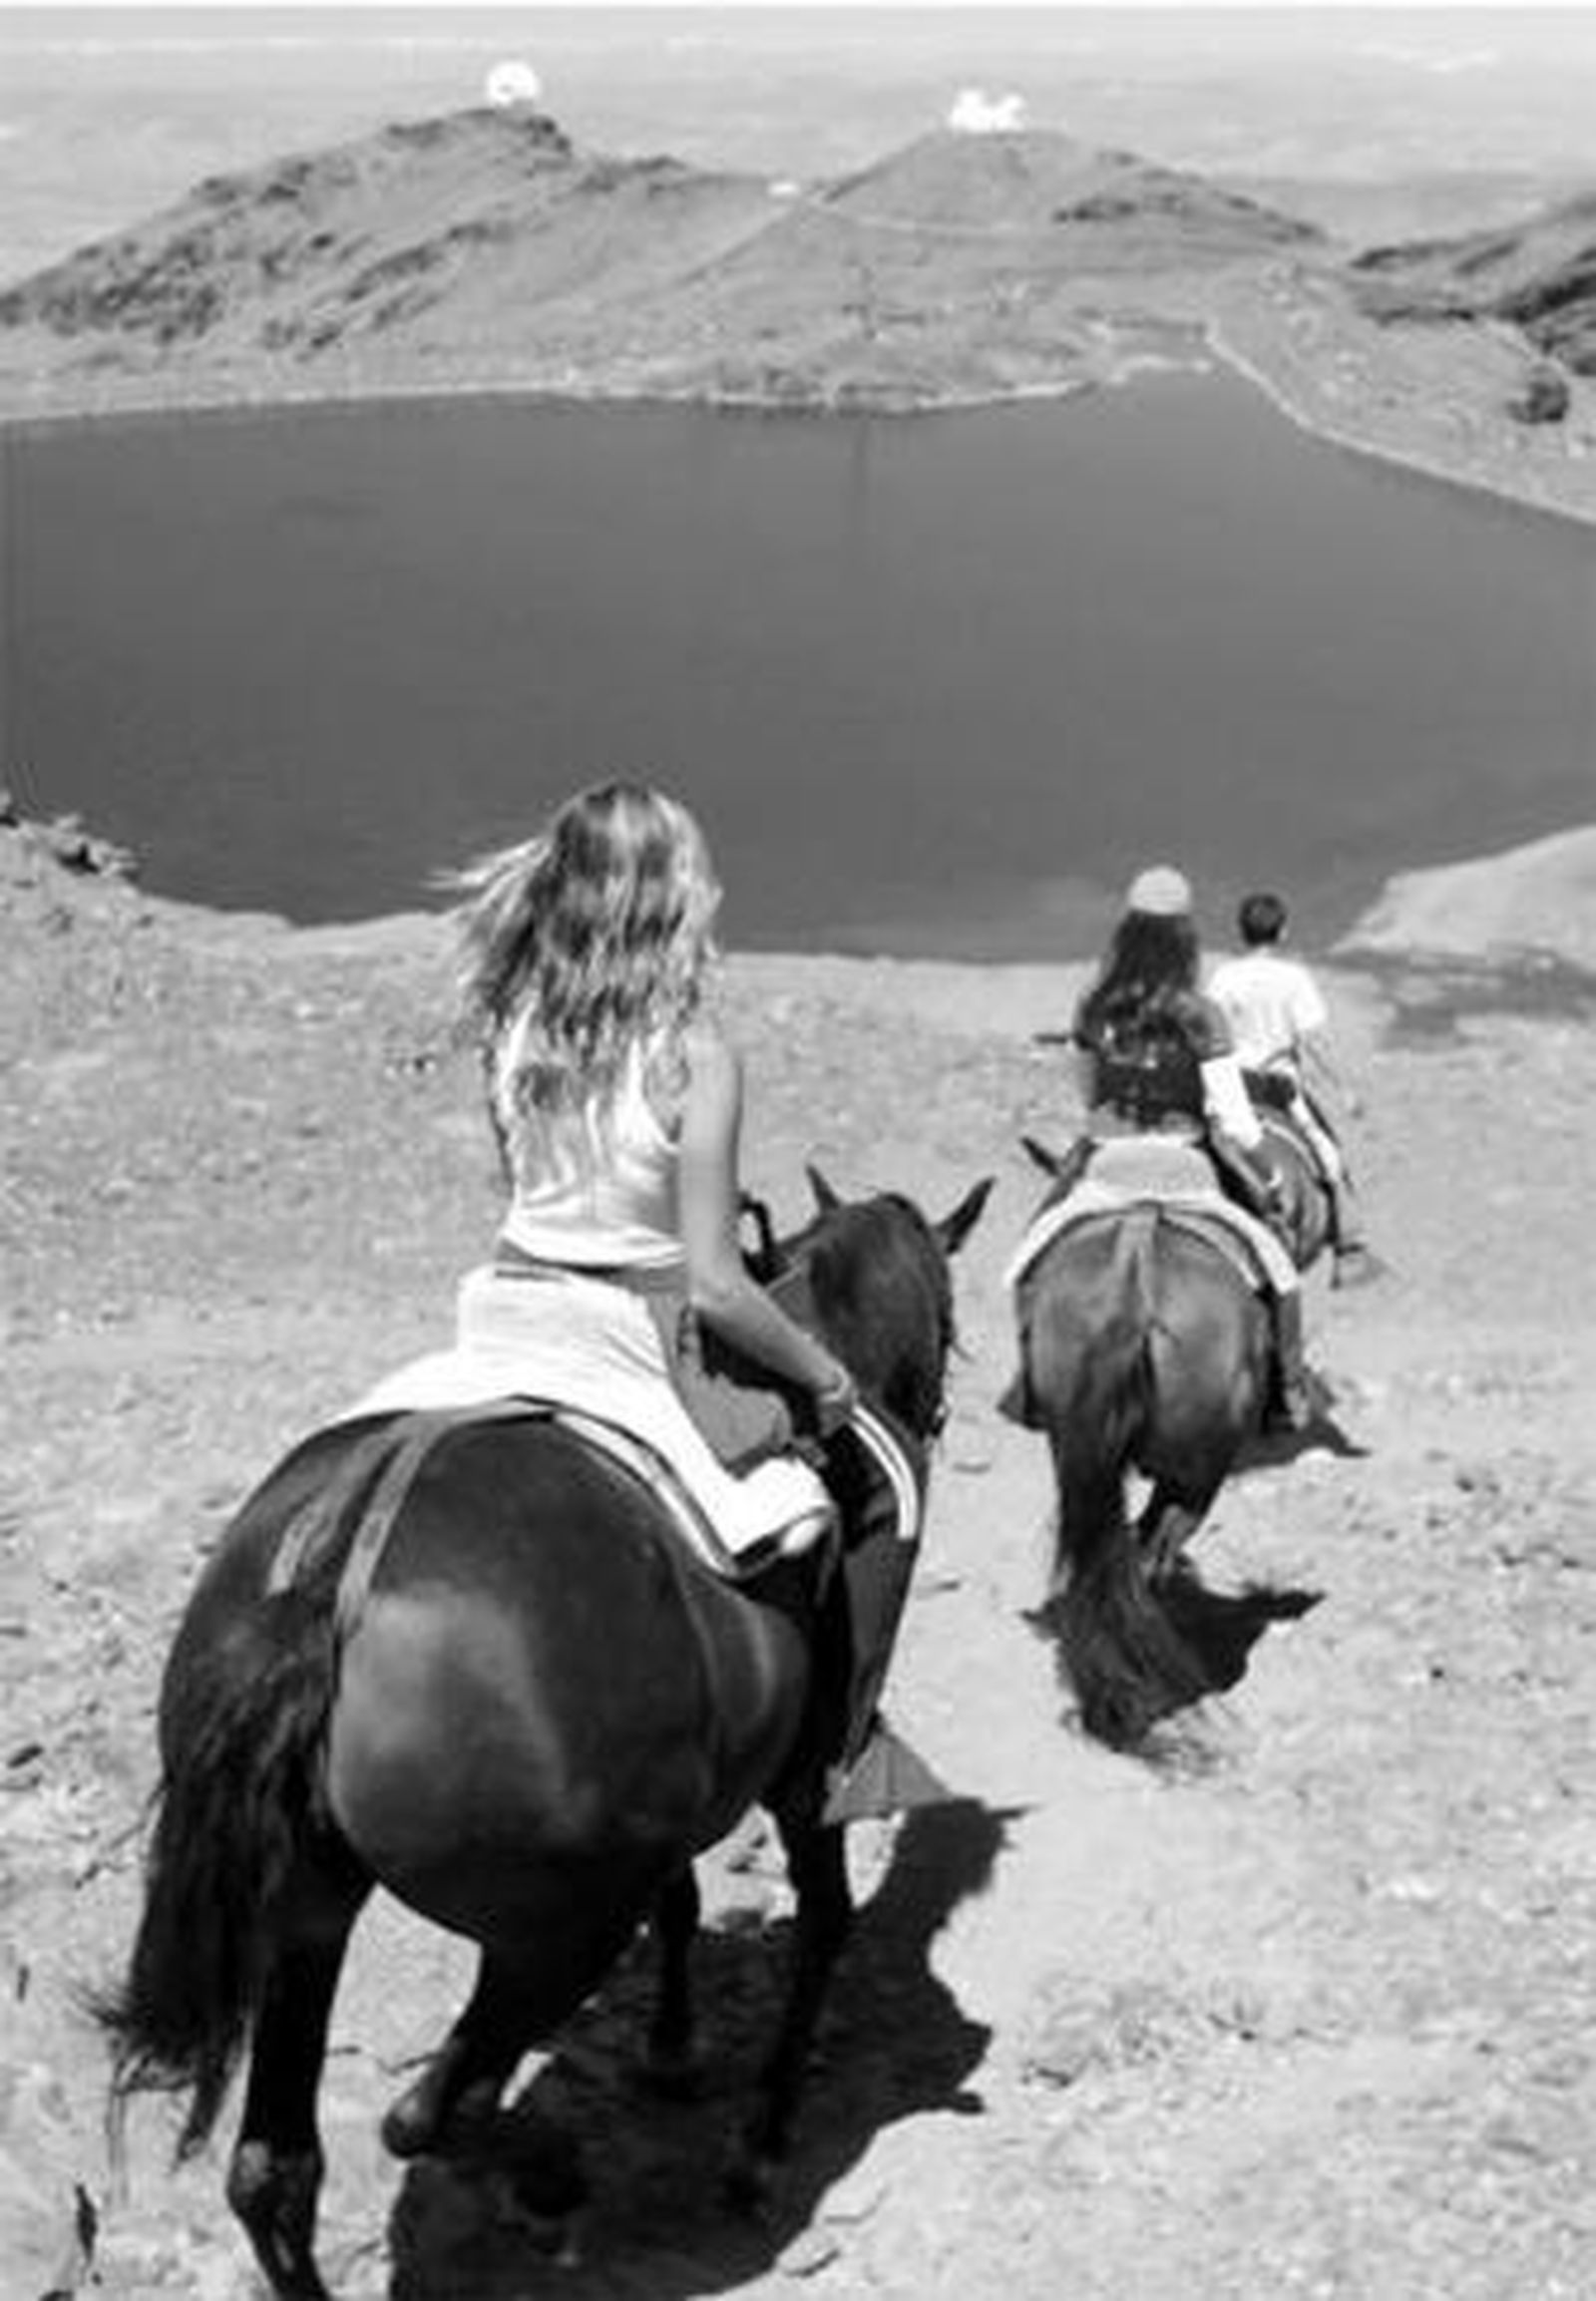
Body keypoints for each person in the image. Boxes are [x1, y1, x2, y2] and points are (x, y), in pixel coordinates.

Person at [347, 778, 926, 1816]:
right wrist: (826, 1373)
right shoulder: (692, 1058)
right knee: (873, 1486)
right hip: (636, 1332)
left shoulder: (511, 1025)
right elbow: (714, 1281)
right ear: (673, 900)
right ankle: (829, 1757)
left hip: (508, 1309)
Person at [1020, 865, 1314, 1431]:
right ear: (1184, 935)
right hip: (1186, 1161)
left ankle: (1035, 1387)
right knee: (1278, 1269)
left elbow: (1085, 1088)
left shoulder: (1094, 1004)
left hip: (1105, 1158)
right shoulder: (1201, 1013)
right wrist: (1268, 1172)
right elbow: (1234, 1118)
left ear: (1127, 929)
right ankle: (1285, 1391)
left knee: (1031, 1258)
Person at [1208, 891, 1383, 1289]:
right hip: (1279, 1091)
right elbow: (1313, 1041)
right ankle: (1349, 1247)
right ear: (1283, 931)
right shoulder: (1293, 978)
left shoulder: (1223, 977)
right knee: (1328, 1156)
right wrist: (1344, 1089)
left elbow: (1208, 1034)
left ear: (1242, 932)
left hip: (1230, 1092)